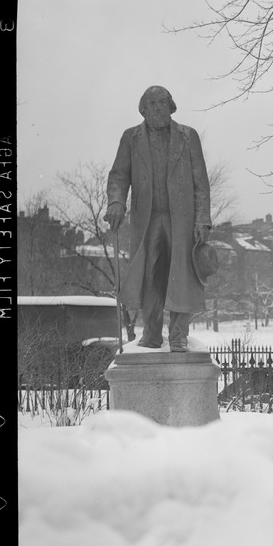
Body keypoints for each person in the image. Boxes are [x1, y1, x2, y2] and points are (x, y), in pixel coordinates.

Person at [104, 86, 212, 352]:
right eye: (151, 104)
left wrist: (202, 219)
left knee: (181, 275)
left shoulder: (188, 136)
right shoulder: (131, 138)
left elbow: (201, 183)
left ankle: (178, 336)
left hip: (183, 220)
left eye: (162, 103)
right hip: (147, 219)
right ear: (143, 109)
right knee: (150, 276)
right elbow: (119, 175)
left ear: (171, 106)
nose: (157, 108)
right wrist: (116, 202)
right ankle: (151, 334)